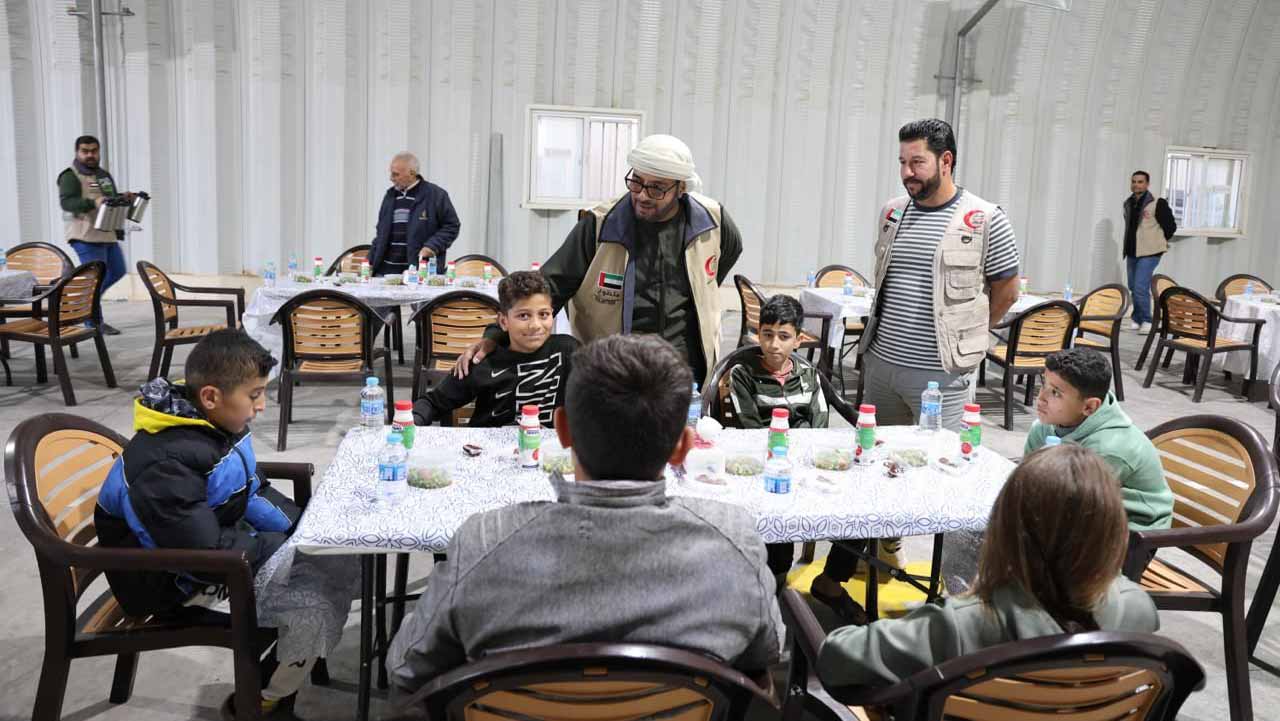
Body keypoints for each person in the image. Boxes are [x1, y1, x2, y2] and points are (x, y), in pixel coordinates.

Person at [387, 335, 783, 695]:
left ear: (561, 430)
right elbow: (767, 650)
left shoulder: (483, 543)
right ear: (684, 448)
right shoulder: (735, 544)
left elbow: (405, 667)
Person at [94, 330, 355, 719]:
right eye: (254, 395)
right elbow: (203, 555)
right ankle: (260, 701)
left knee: (337, 561)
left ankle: (284, 672)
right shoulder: (165, 464)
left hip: (210, 550)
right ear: (211, 396)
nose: (262, 406)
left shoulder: (213, 425)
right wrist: (277, 547)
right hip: (164, 583)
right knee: (313, 605)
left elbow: (252, 491)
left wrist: (304, 529)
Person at [816, 444, 1158, 689]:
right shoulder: (1138, 609)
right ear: (1112, 530)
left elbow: (837, 661)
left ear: (1006, 528)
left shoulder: (960, 624)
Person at [454, 134, 743, 387]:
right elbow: (549, 286)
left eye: (656, 188)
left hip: (684, 364)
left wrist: (699, 290)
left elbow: (725, 257)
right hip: (614, 365)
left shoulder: (712, 221)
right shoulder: (600, 225)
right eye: (636, 182)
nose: (642, 195)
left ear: (681, 189)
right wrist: (495, 335)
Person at [858, 118, 1020, 429]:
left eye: (917, 162)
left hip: (941, 378)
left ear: (946, 161)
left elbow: (1008, 291)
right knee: (877, 458)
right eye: (903, 162)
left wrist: (968, 337)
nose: (907, 172)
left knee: (940, 465)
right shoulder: (892, 212)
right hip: (881, 369)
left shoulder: (985, 219)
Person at [1025, 348, 1172, 531]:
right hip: (1083, 518)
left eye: (1055, 393)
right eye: (1043, 384)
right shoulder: (1043, 427)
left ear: (1089, 407)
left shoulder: (1108, 450)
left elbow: (1072, 509)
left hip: (1132, 533)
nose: (1041, 398)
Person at [413, 271, 578, 427]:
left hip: (547, 453)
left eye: (544, 314)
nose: (535, 325)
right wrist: (410, 421)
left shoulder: (568, 351)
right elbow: (432, 402)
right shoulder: (482, 360)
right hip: (484, 450)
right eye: (523, 316)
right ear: (504, 321)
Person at [57, 134, 133, 334]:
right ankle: (93, 321)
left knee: (117, 271)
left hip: (107, 233)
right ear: (77, 152)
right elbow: (67, 202)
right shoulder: (69, 176)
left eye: (94, 151)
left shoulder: (103, 175)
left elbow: (109, 198)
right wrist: (92, 202)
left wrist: (123, 197)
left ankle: (81, 303)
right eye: (85, 151)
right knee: (95, 279)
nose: (90, 155)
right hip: (85, 236)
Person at [728, 294, 829, 429]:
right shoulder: (743, 375)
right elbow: (751, 429)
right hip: (763, 446)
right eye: (768, 335)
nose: (774, 344)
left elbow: (820, 426)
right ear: (759, 335)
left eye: (784, 337)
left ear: (798, 341)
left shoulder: (808, 375)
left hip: (804, 446)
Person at [369, 151, 460, 277]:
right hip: (385, 273)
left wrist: (432, 246)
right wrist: (370, 262)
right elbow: (380, 234)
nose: (391, 178)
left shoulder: (436, 195)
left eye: (395, 174)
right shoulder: (390, 196)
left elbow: (452, 226)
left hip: (419, 273)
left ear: (412, 173)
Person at [1123, 170, 1177, 332]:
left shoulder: (1157, 203)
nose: (1136, 184)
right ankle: (1138, 318)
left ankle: (1148, 320)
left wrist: (1158, 242)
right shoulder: (1128, 203)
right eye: (1134, 181)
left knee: (1140, 286)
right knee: (1133, 286)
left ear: (1147, 184)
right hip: (1132, 251)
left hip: (1150, 252)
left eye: (1140, 182)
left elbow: (1170, 226)